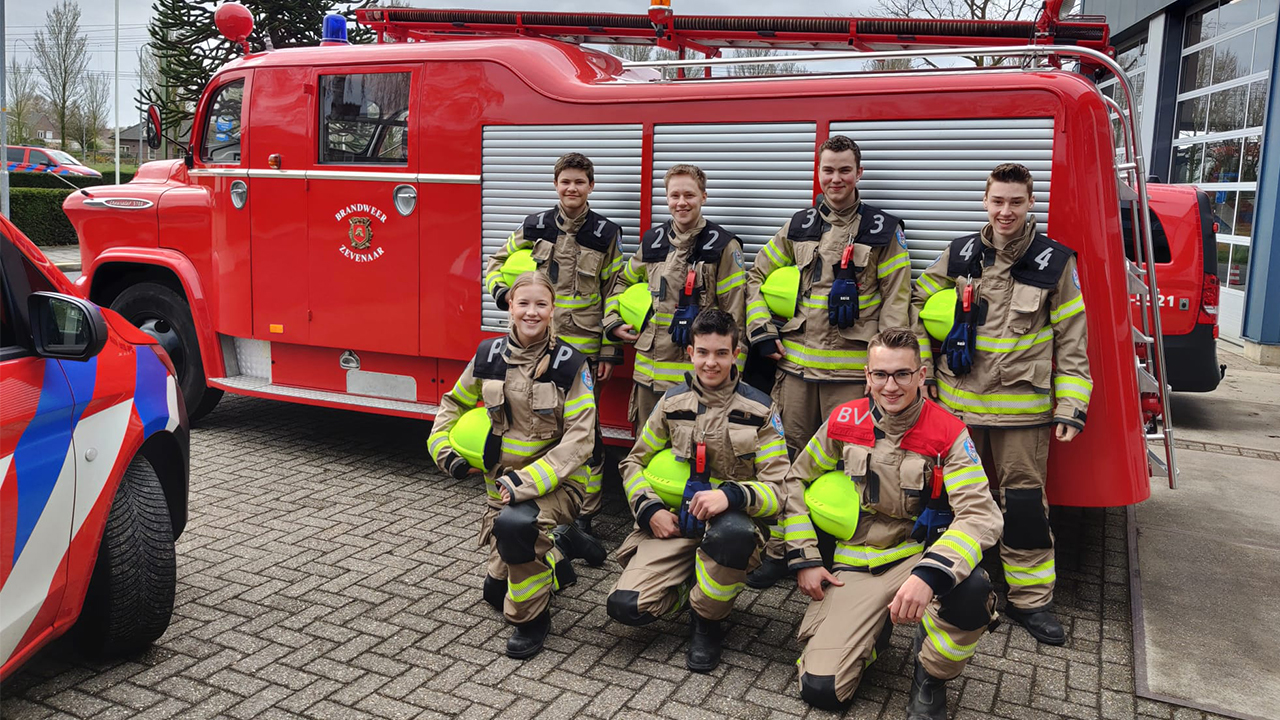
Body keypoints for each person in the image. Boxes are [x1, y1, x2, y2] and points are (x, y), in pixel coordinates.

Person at [910, 163, 1091, 646]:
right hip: (957, 411)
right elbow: (916, 308)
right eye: (997, 201)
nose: (1005, 210)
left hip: (1022, 414)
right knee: (948, 500)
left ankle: (1030, 601)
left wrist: (1071, 405)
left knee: (1025, 507)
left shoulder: (1055, 262)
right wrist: (923, 372)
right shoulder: (960, 254)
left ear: (1031, 203)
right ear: (985, 202)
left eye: (1015, 201)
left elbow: (1073, 339)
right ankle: (942, 584)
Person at [782, 328, 1003, 718]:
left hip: (917, 558)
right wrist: (806, 557)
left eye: (902, 374)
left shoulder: (948, 433)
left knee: (971, 591)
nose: (891, 386)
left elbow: (980, 515)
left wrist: (929, 575)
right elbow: (795, 480)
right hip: (856, 566)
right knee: (822, 691)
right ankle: (874, 632)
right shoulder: (844, 419)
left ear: (921, 375)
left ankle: (930, 676)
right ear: (867, 375)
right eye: (880, 375)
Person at [743, 135, 913, 589]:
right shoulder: (798, 226)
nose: (835, 179)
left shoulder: (883, 231)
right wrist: (761, 332)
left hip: (850, 379)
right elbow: (756, 275)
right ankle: (784, 551)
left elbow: (898, 304)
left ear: (859, 173)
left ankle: (847, 558)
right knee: (787, 462)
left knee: (855, 467)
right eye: (828, 171)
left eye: (844, 170)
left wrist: (890, 374)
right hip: (796, 374)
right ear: (818, 174)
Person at [428, 273, 606, 660]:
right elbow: (452, 403)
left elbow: (581, 440)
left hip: (559, 486)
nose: (531, 312)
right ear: (510, 306)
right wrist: (444, 451)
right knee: (494, 592)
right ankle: (562, 547)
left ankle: (532, 620)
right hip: (502, 491)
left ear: (552, 309)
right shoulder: (488, 355)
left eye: (541, 304)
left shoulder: (570, 365)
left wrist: (525, 483)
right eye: (523, 303)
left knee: (515, 527)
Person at [605, 309, 789, 673]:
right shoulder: (671, 404)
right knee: (625, 607)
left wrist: (733, 496)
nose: (711, 362)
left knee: (732, 534)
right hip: (675, 524)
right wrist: (650, 510)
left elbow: (780, 487)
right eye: (703, 352)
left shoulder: (760, 410)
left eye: (721, 352)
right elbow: (632, 463)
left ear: (736, 353)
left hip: (730, 529)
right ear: (690, 352)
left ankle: (707, 621)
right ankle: (689, 591)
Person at [483, 152, 625, 537]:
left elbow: (615, 290)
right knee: (539, 427)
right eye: (566, 181)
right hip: (535, 351)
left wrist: (610, 349)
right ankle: (542, 503)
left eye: (580, 182)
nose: (572, 188)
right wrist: (504, 297)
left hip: (583, 355)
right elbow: (496, 263)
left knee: (587, 436)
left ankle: (584, 516)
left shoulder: (606, 233)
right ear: (556, 184)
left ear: (591, 186)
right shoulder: (535, 226)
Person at [603, 164, 749, 435]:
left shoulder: (723, 246)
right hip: (650, 376)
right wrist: (613, 321)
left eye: (689, 195)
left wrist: (731, 378)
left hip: (699, 379)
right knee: (645, 450)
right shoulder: (653, 241)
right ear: (666, 198)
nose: (681, 203)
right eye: (674, 196)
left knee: (695, 451)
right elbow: (621, 282)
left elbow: (735, 315)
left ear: (703, 197)